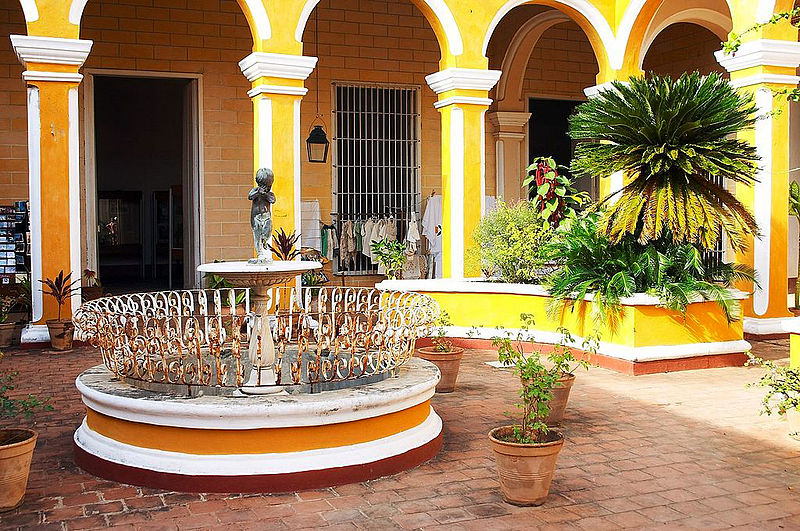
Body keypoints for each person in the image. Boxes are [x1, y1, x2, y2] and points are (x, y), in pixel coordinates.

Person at [248, 168, 276, 263]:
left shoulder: (269, 194)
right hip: (256, 217)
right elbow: (250, 196)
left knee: (267, 231)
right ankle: (260, 253)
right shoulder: (255, 191)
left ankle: (265, 240)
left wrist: (265, 194)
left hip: (266, 216)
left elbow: (273, 200)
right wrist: (259, 192)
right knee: (257, 236)